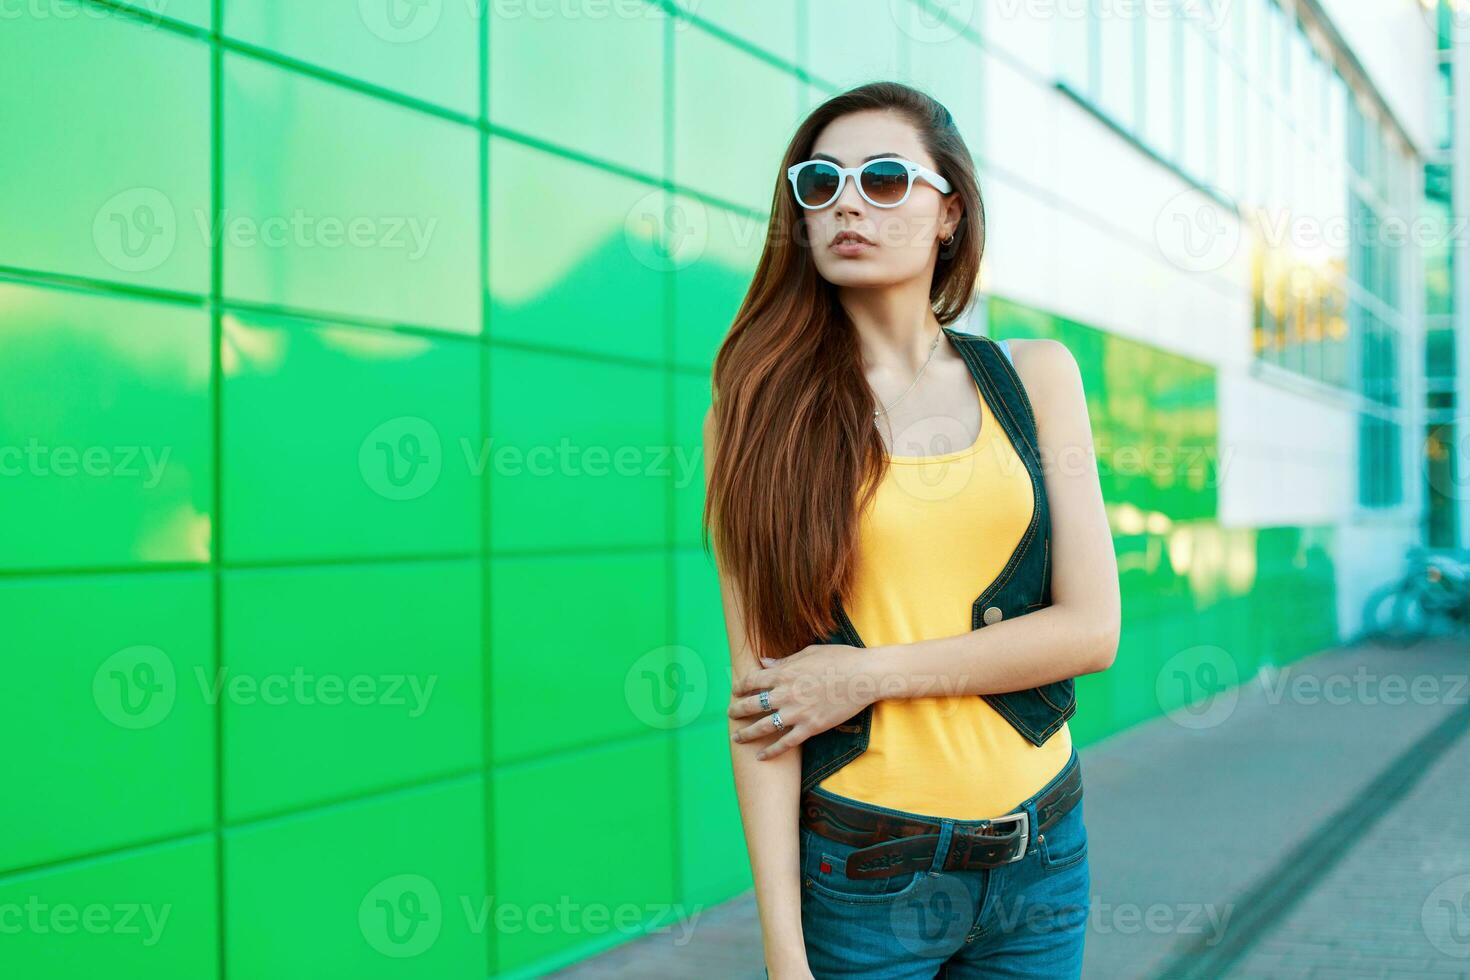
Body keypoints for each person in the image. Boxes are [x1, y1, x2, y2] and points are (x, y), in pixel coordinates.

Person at [700, 80, 1121, 980]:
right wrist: (783, 951)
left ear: (949, 214)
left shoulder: (1036, 378)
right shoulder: (758, 412)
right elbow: (764, 706)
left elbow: (1091, 629)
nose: (848, 200)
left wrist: (866, 675)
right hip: (864, 878)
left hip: (1042, 860)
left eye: (886, 178)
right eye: (820, 183)